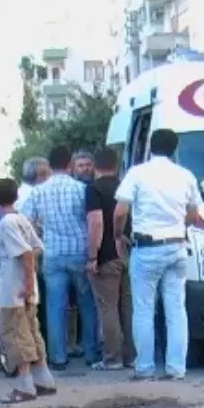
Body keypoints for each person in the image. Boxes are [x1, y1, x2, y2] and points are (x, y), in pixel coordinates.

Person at [114, 128, 201, 381]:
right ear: (175, 149)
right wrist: (175, 227)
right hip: (176, 247)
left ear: (150, 146)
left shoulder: (138, 173)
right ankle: (176, 368)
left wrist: (119, 236)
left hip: (146, 248)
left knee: (143, 310)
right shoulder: (185, 175)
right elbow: (194, 214)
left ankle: (145, 367)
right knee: (176, 309)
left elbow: (120, 211)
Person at [21, 145, 99, 370]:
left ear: (49, 165)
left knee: (55, 305)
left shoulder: (38, 191)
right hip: (80, 251)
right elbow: (92, 218)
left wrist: (39, 236)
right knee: (87, 304)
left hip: (52, 253)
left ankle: (58, 357)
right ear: (69, 165)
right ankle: (91, 353)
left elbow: (25, 221)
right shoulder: (81, 189)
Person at [0, 177, 58, 404]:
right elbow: (37, 248)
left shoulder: (6, 224)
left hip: (13, 291)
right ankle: (44, 379)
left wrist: (27, 282)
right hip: (26, 290)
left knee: (16, 336)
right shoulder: (22, 219)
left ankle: (25, 385)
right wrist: (31, 282)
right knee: (31, 332)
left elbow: (26, 253)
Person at [85, 147, 135, 371]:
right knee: (128, 307)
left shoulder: (93, 189)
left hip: (105, 255)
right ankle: (132, 355)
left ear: (96, 166)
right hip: (128, 254)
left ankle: (112, 357)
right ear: (116, 165)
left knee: (108, 308)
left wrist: (92, 256)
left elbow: (95, 222)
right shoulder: (126, 187)